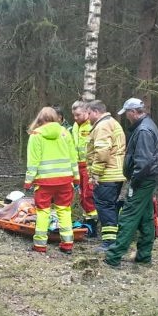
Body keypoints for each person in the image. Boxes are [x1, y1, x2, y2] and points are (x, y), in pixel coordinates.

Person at [105, 98, 158, 268]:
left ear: (133, 112)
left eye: (127, 114)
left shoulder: (144, 130)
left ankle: (114, 256)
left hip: (142, 180)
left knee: (128, 216)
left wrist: (134, 181)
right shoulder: (146, 125)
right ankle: (144, 256)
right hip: (147, 179)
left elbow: (143, 161)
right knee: (145, 218)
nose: (126, 118)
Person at [24, 107, 79, 254]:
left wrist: (28, 181)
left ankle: (40, 245)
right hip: (65, 180)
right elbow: (73, 157)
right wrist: (77, 177)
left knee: (43, 212)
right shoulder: (65, 133)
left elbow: (33, 162)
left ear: (40, 119)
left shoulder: (36, 135)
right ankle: (67, 244)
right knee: (64, 211)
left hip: (44, 182)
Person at [86, 100, 126, 251]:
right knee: (109, 206)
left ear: (96, 112)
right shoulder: (111, 123)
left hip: (107, 174)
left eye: (89, 113)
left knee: (105, 207)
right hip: (115, 172)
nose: (88, 117)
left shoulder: (102, 126)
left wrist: (95, 173)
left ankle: (109, 242)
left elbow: (102, 152)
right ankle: (112, 239)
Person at [70, 100, 99, 235]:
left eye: (78, 115)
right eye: (74, 115)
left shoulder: (92, 125)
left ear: (87, 113)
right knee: (82, 195)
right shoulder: (75, 126)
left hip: (89, 165)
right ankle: (87, 219)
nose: (76, 118)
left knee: (89, 194)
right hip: (78, 165)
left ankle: (93, 223)